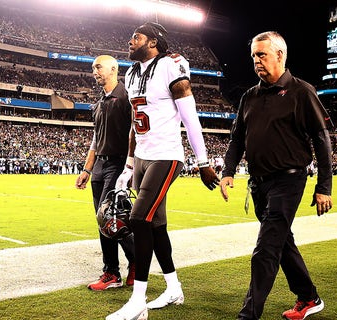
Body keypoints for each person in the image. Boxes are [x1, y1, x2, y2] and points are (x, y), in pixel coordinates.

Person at [105, 22, 220, 320]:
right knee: (157, 226)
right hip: (143, 156)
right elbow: (134, 120)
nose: (130, 41)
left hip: (166, 156)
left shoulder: (171, 66)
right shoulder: (131, 73)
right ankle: (173, 288)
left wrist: (203, 161)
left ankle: (138, 301)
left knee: (139, 218)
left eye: (137, 37)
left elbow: (189, 115)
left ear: (153, 42)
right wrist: (129, 164)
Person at [219, 31, 334, 320]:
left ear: (279, 55)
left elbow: (322, 140)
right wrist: (228, 171)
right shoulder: (250, 96)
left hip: (289, 180)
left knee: (266, 249)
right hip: (258, 184)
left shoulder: (301, 91)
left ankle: (248, 316)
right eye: (253, 56)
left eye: (262, 55)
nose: (256, 61)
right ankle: (308, 297)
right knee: (282, 243)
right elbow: (237, 139)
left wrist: (324, 186)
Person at [75, 54, 135, 292]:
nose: (94, 71)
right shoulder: (99, 102)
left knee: (110, 218)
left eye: (98, 67)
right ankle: (128, 265)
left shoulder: (126, 98)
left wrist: (129, 167)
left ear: (113, 69)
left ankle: (114, 271)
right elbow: (94, 139)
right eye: (93, 68)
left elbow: (135, 134)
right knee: (103, 221)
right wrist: (87, 169)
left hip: (118, 163)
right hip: (100, 164)